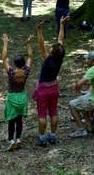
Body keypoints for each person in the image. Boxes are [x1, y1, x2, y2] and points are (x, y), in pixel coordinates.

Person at [32, 15, 69, 146]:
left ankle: (42, 138)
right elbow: (60, 40)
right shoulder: (59, 59)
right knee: (53, 112)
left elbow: (41, 45)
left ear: (52, 52)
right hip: (54, 88)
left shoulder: (48, 60)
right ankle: (52, 136)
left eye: (52, 48)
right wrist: (62, 25)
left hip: (43, 90)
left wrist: (39, 31)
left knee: (42, 114)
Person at [1, 34, 33, 151]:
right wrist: (28, 44)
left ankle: (11, 140)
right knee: (19, 120)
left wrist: (5, 43)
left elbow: (4, 58)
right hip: (22, 96)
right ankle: (18, 138)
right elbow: (30, 57)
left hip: (12, 97)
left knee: (11, 120)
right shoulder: (26, 71)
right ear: (23, 63)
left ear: (14, 64)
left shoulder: (11, 72)